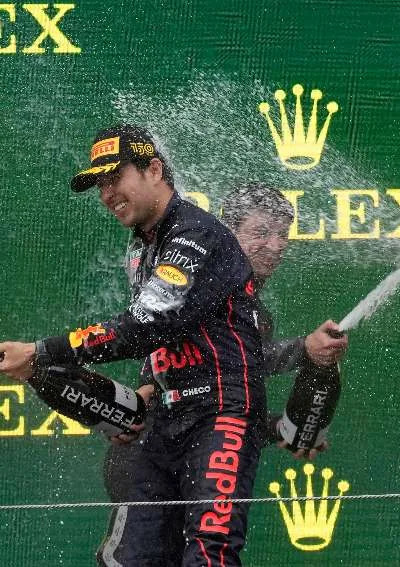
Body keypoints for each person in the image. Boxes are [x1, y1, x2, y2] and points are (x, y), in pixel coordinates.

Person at [0, 124, 268, 566]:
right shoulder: (141, 248)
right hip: (165, 416)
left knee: (208, 551)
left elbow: (144, 325)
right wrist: (148, 384)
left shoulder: (192, 234)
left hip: (222, 413)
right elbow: (168, 332)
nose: (106, 194)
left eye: (114, 178)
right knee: (131, 556)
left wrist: (40, 351)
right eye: (99, 184)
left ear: (155, 170)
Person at [97, 182, 349, 566]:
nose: (277, 244)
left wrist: (278, 427)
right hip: (148, 456)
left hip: (189, 451)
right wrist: (304, 349)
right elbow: (204, 370)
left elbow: (220, 389)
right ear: (228, 231)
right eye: (262, 232)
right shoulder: (200, 279)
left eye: (283, 234)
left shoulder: (250, 308)